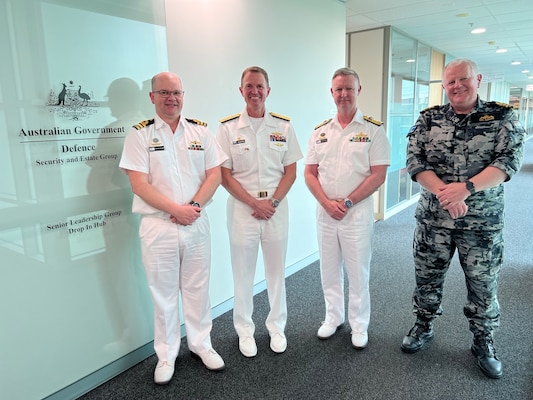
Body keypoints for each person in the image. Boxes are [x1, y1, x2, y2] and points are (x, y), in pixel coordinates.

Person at [401, 58, 525, 379]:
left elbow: (509, 161)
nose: (457, 86)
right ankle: (424, 324)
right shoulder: (429, 119)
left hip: (481, 222)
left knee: (483, 284)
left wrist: (466, 189)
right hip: (433, 220)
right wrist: (446, 192)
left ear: (478, 79)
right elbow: (415, 160)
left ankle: (483, 340)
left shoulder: (501, 117)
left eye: (463, 79)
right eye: (451, 81)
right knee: (427, 277)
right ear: (444, 85)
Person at [119, 72, 228, 385]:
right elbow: (138, 184)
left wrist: (191, 208)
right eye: (164, 92)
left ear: (183, 95)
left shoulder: (200, 132)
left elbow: (215, 176)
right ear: (152, 97)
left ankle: (201, 344)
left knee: (197, 288)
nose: (171, 98)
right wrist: (176, 210)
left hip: (195, 223)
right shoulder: (139, 135)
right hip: (159, 227)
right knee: (164, 294)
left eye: (176, 92)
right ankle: (166, 355)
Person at [216, 66, 303, 357]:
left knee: (276, 272)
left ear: (268, 90)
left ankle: (277, 327)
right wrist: (255, 204)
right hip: (243, 209)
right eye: (249, 86)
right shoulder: (228, 128)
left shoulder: (283, 127)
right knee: (242, 273)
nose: (255, 91)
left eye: (260, 86)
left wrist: (273, 203)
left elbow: (290, 171)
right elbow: (224, 174)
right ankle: (244, 330)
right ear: (241, 90)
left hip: (276, 208)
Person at [304, 67, 390, 349]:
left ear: (358, 90)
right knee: (328, 269)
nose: (343, 94)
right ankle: (333, 317)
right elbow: (310, 173)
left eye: (349, 89)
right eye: (338, 89)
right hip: (326, 211)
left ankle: (359, 324)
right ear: (332, 92)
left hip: (357, 211)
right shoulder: (320, 132)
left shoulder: (373, 130)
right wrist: (326, 203)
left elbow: (378, 174)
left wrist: (348, 202)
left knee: (357, 270)